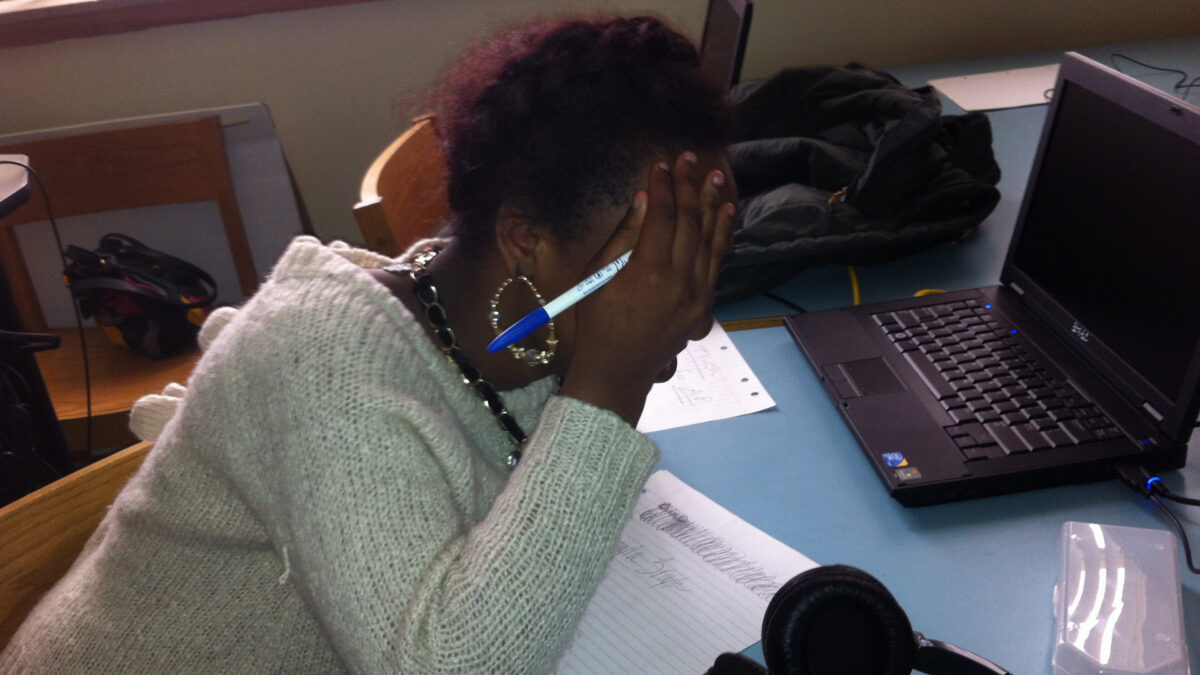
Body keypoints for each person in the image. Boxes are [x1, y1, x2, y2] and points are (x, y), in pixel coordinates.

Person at [0, 14, 736, 674]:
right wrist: (610, 386)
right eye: (665, 257)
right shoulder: (324, 366)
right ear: (528, 242)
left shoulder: (515, 335)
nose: (690, 309)